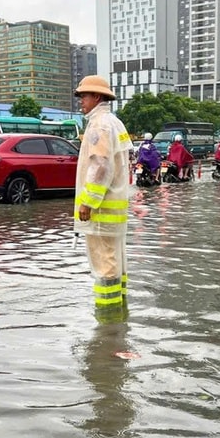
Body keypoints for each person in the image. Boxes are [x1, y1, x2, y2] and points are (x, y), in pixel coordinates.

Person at [73, 75, 134, 313]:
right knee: (116, 261)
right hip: (114, 211)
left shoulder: (99, 124)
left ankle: (108, 323)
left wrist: (88, 202)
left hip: (101, 212)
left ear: (97, 97)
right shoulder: (114, 122)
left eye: (84, 96)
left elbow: (100, 165)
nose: (81, 101)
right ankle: (120, 315)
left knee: (104, 264)